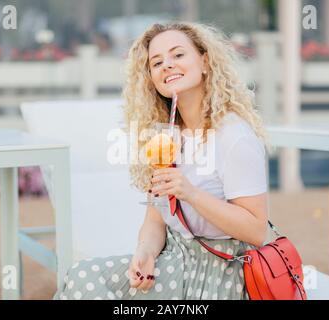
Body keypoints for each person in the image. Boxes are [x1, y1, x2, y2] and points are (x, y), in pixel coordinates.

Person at [54, 22, 269, 300]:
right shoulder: (165, 137)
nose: (167, 65)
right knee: (82, 276)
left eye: (178, 55)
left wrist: (190, 193)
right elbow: (155, 220)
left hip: (222, 272)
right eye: (157, 63)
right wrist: (145, 253)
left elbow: (256, 230)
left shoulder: (233, 137)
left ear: (205, 62)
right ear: (152, 79)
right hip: (175, 260)